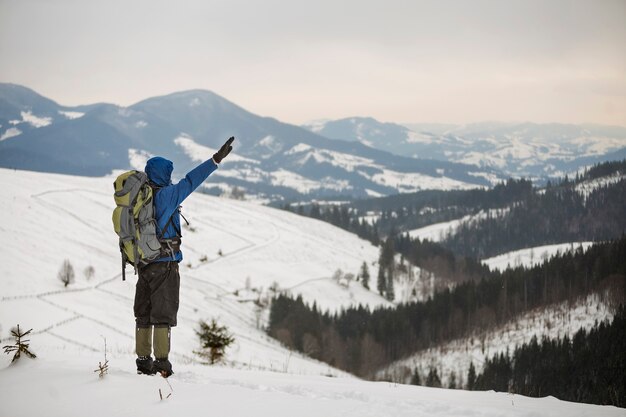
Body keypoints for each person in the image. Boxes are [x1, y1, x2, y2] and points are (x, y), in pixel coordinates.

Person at [134, 136, 235, 377]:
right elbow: (191, 181)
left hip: (143, 263)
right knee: (163, 314)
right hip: (165, 264)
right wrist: (214, 160)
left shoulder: (139, 196)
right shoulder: (167, 195)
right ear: (164, 174)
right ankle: (161, 363)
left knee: (144, 313)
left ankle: (143, 361)